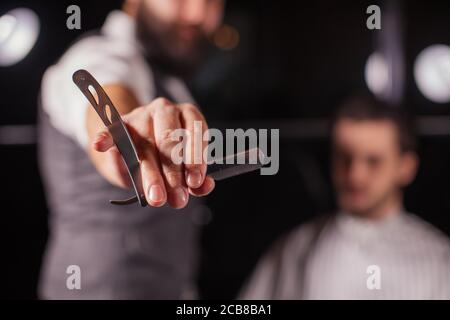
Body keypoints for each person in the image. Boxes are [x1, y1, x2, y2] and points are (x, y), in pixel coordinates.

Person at [38, 0, 224, 299]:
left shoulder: (167, 76)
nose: (198, 13)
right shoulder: (97, 55)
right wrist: (129, 133)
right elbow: (107, 90)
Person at [240, 96, 450, 299]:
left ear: (406, 167)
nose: (355, 175)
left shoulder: (439, 260)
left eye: (373, 161)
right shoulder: (294, 250)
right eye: (344, 158)